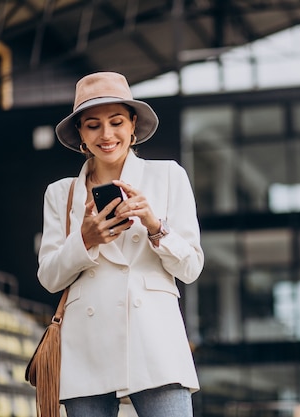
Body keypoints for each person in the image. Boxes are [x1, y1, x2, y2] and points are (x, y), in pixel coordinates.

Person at [37, 72, 204, 417]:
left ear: (133, 125)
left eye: (116, 122)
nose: (107, 134)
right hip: (86, 346)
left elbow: (191, 268)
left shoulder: (168, 176)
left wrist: (156, 227)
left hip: (155, 341)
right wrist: (85, 240)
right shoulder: (60, 193)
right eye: (93, 125)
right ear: (81, 135)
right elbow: (50, 277)